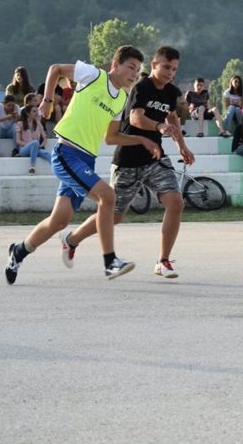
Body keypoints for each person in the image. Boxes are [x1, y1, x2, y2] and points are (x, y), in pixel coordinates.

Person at [4, 45, 162, 285]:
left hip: (86, 159)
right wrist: (47, 100)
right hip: (67, 153)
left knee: (59, 220)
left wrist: (142, 139)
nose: (133, 74)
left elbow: (110, 138)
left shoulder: (120, 99)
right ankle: (110, 262)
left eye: (138, 70)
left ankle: (20, 250)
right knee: (108, 197)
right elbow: (55, 69)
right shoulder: (93, 75)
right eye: (130, 67)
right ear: (115, 65)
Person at [56, 46, 194, 279]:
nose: (170, 72)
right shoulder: (141, 86)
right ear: (154, 65)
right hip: (128, 160)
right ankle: (72, 240)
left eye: (174, 69)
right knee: (115, 215)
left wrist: (182, 145)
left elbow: (172, 116)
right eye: (166, 67)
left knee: (176, 201)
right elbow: (135, 118)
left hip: (155, 157)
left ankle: (163, 261)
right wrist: (159, 126)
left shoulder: (171, 92)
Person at [15, 104, 50, 174]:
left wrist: (39, 146)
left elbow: (45, 139)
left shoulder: (38, 124)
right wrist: (31, 145)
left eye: (37, 111)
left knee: (47, 154)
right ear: (28, 113)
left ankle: (57, 170)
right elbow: (18, 141)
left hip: (36, 148)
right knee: (35, 142)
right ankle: (32, 166)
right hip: (24, 149)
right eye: (34, 111)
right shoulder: (20, 124)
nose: (36, 113)